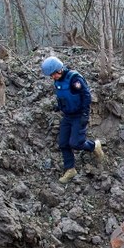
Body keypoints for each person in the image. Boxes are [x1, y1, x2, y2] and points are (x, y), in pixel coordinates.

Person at [40, 55, 104, 184]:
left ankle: (94, 146)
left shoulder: (74, 79)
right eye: (51, 76)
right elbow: (62, 96)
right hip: (67, 116)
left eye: (53, 74)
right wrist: (59, 106)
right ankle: (70, 169)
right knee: (63, 143)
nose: (52, 78)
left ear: (59, 69)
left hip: (79, 115)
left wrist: (85, 115)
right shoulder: (57, 81)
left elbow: (86, 96)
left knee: (76, 143)